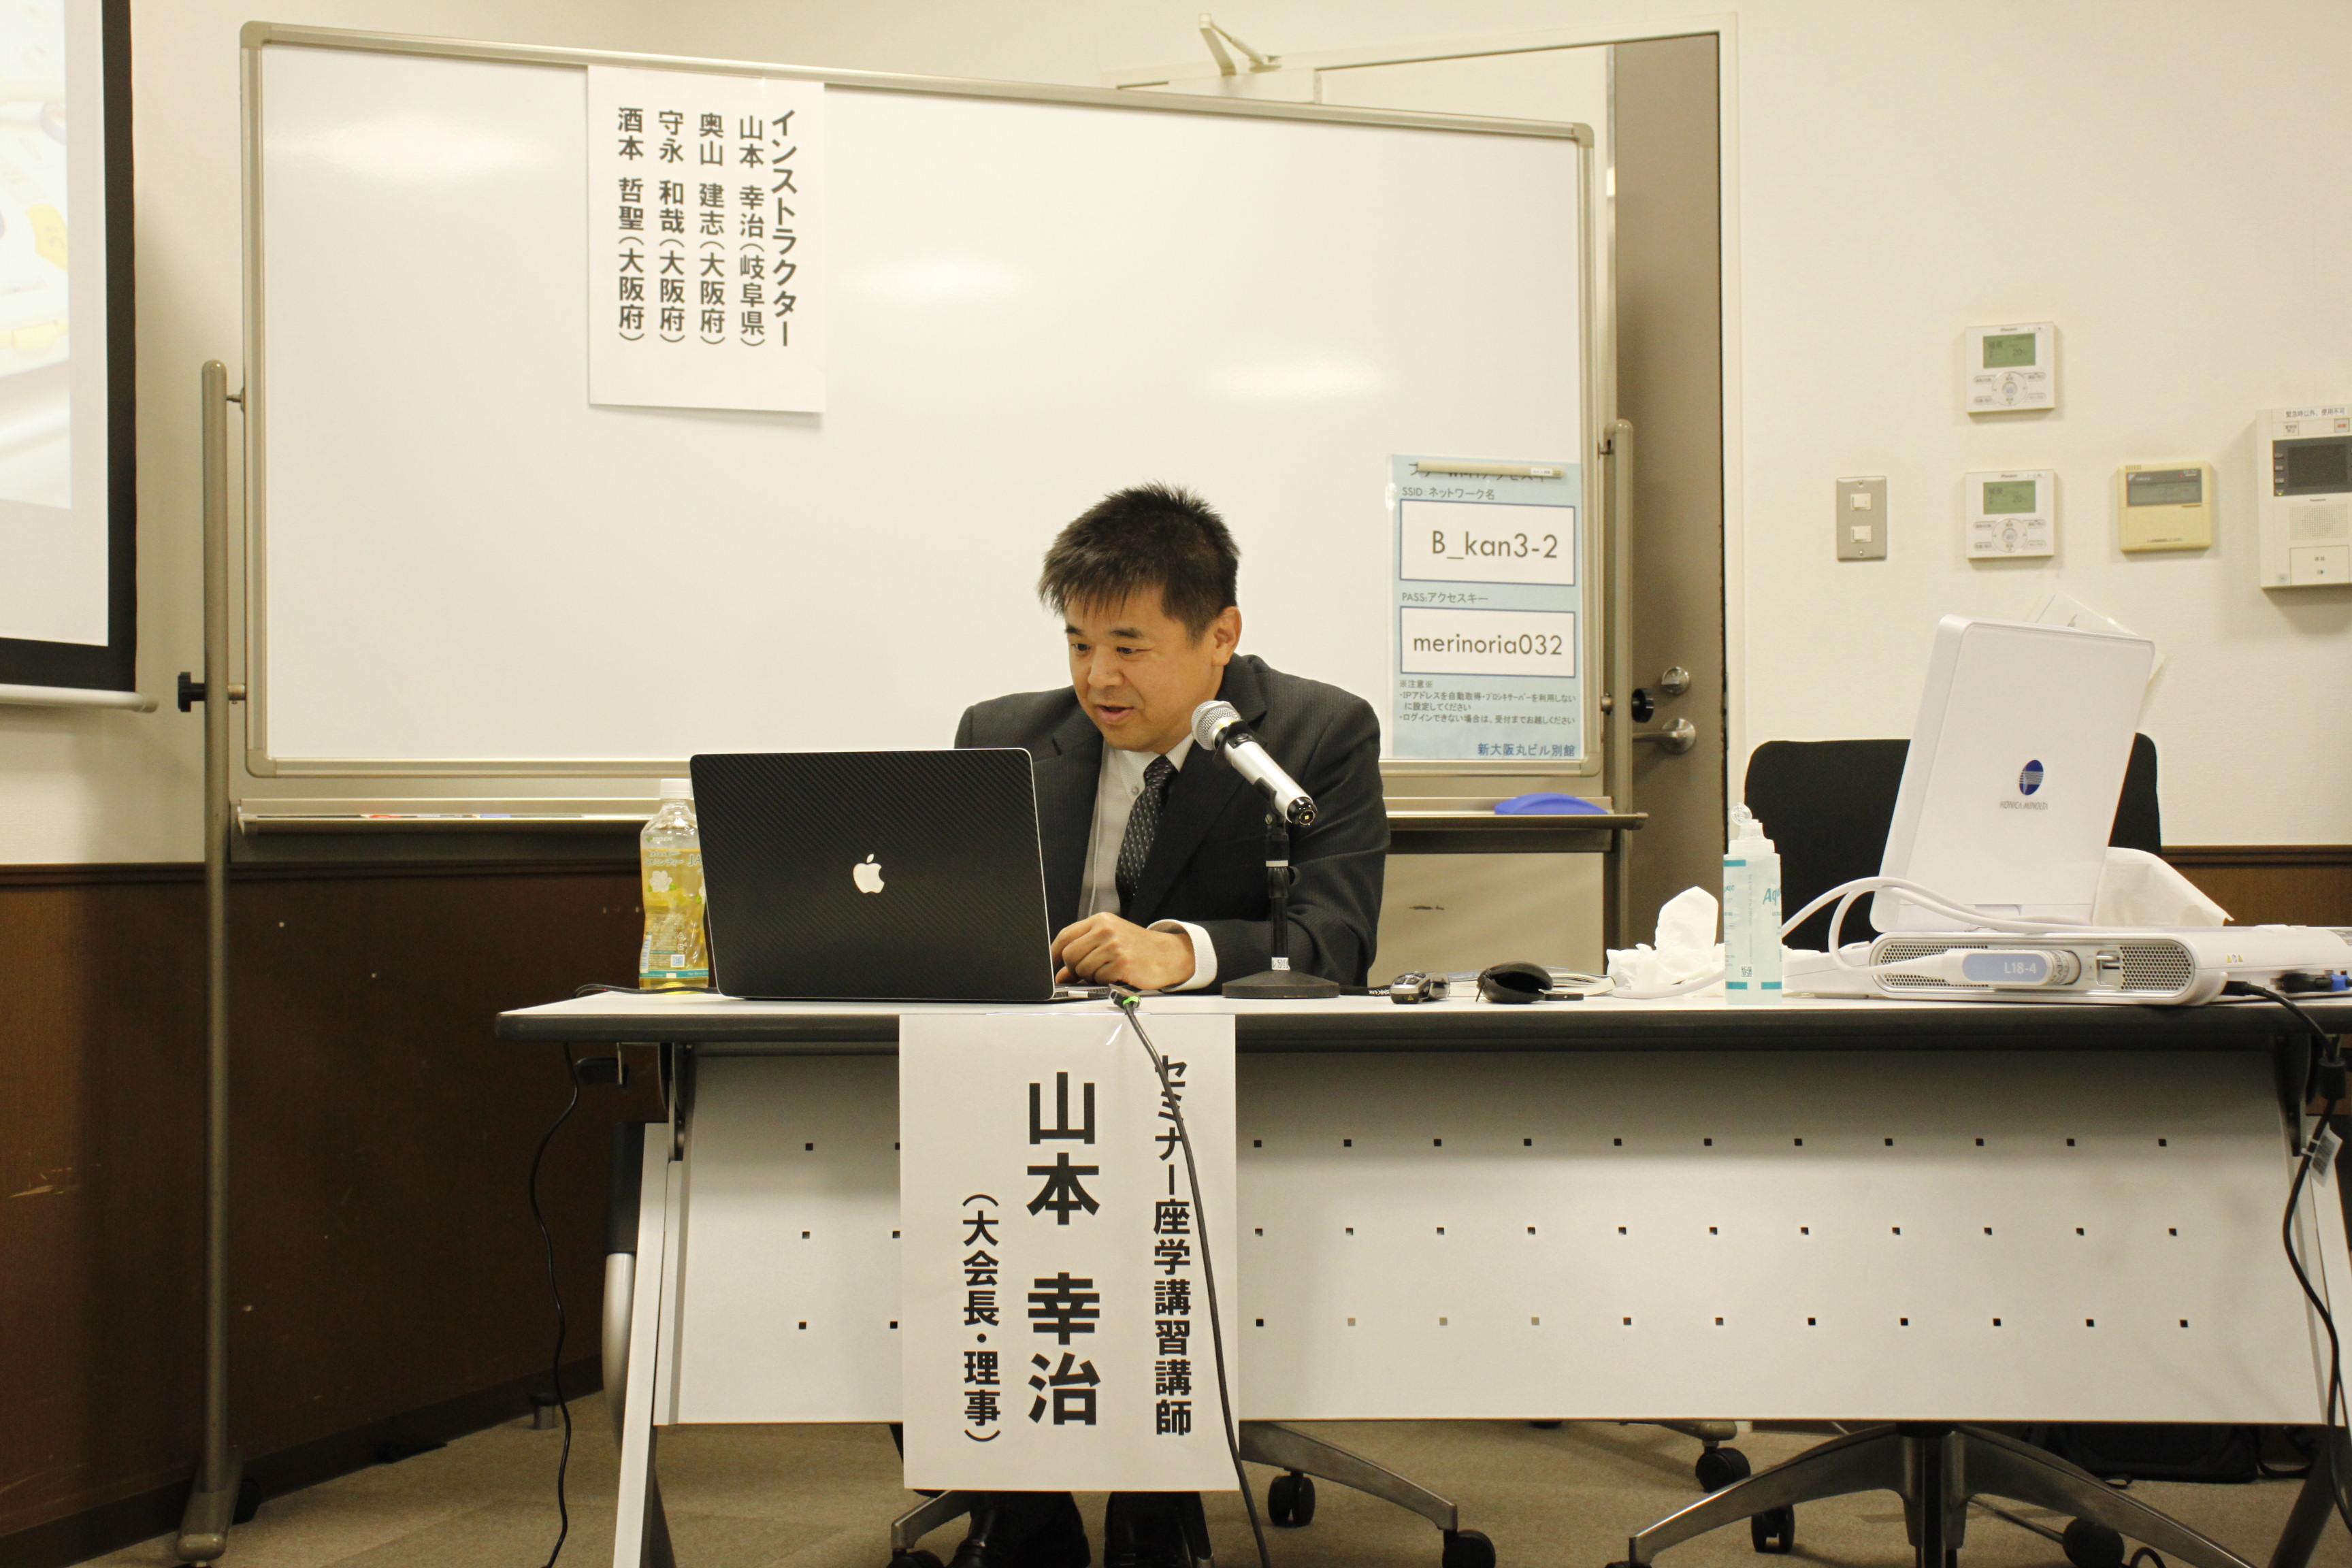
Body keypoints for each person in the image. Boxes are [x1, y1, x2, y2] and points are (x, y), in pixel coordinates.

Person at [941, 483, 1386, 1567]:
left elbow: (1334, 940)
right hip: (1019, 1096)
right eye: (1079, 644)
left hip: (1213, 1106)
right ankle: (1024, 1515)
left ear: (1220, 635)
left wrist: (1177, 953)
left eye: (1129, 647)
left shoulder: (1315, 736)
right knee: (925, 1225)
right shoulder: (1003, 738)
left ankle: (1156, 1497)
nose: (1097, 678)